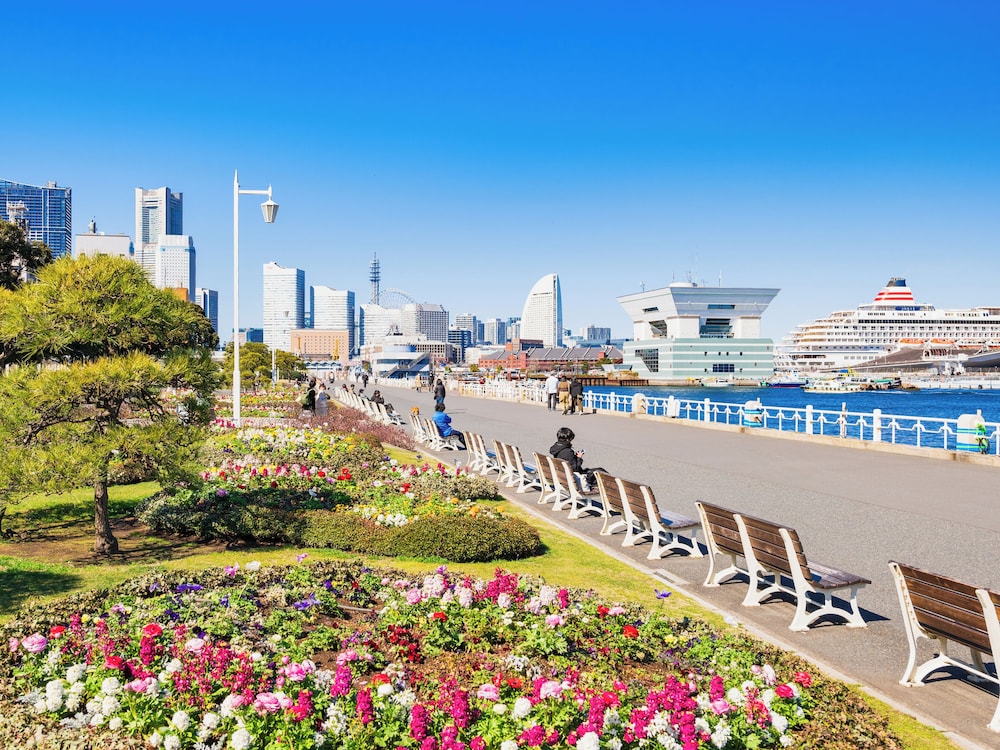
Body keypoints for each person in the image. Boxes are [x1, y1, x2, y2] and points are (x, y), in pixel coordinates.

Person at [548, 426, 605, 493]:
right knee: (600, 471)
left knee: (594, 471)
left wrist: (574, 457)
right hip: (572, 478)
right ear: (567, 439)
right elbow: (576, 468)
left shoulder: (556, 448)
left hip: (563, 477)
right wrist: (579, 458)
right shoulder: (568, 452)